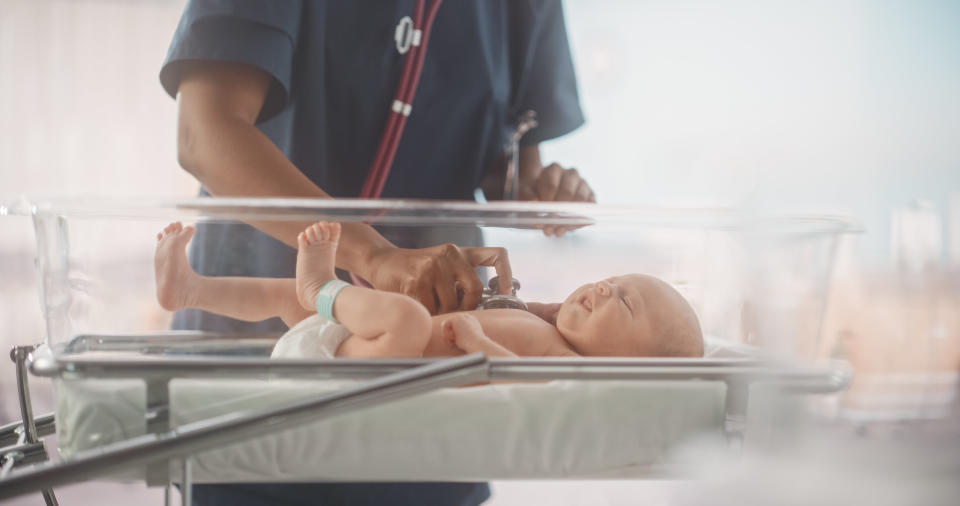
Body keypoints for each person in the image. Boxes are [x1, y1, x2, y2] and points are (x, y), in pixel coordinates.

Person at [160, 1, 593, 504]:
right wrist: (373, 255)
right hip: (258, 365)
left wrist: (536, 190)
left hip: (433, 397)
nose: (605, 291)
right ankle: (204, 289)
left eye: (629, 302)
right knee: (305, 314)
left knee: (330, 316)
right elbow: (204, 133)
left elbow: (509, 154)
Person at [156, 222, 704, 360]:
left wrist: (479, 341)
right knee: (281, 299)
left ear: (624, 361)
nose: (604, 287)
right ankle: (191, 289)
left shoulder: (570, 365)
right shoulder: (551, 325)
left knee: (409, 321)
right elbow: (519, 313)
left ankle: (320, 286)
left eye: (624, 302)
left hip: (387, 360)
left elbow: (510, 371)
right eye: (615, 280)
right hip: (366, 342)